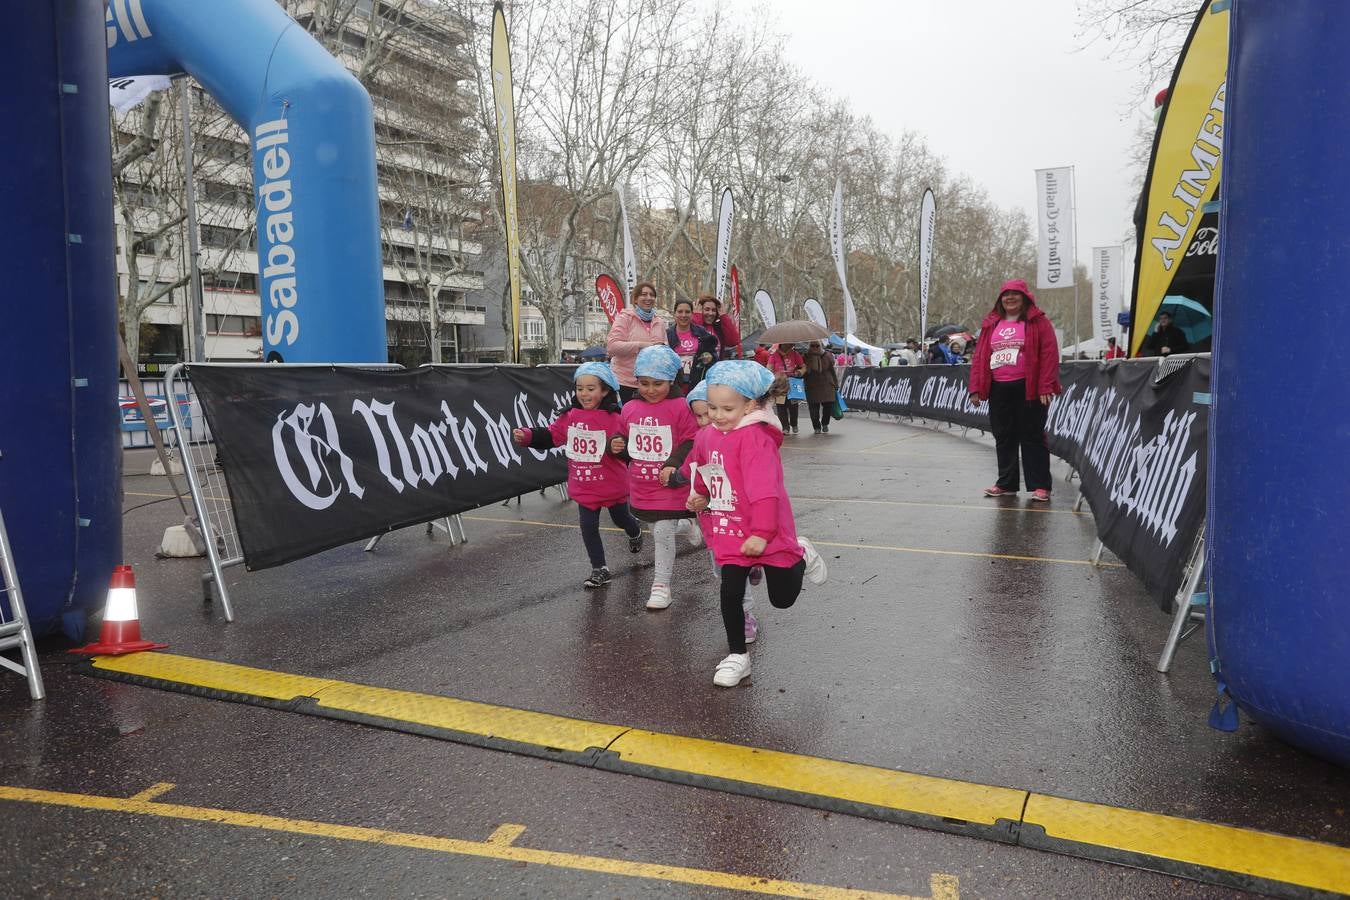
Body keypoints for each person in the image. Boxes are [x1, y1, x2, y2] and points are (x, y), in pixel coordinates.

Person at [683, 360, 829, 687]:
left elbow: (765, 490)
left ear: (750, 405)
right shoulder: (707, 436)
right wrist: (701, 496)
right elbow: (705, 469)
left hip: (768, 530)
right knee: (730, 589)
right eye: (712, 407)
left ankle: (800, 554)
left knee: (782, 599)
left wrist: (762, 534)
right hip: (730, 529)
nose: (718, 415)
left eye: (727, 408)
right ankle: (738, 656)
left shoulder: (755, 440)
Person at [511, 362, 643, 589]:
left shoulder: (616, 418)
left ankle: (635, 531)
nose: (584, 393)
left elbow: (631, 451)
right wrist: (528, 435)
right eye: (579, 388)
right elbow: (553, 436)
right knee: (588, 527)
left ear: (605, 390)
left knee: (620, 519)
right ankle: (599, 568)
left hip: (612, 484)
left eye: (591, 389)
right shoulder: (570, 416)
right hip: (584, 486)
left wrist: (620, 447)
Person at [612, 345, 702, 610]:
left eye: (658, 384)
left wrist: (673, 464)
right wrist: (616, 444)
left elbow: (691, 440)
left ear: (671, 380)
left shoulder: (680, 407)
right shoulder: (629, 408)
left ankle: (661, 585)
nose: (650, 390)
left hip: (670, 483)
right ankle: (688, 526)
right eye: (644, 383)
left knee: (662, 531)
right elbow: (625, 438)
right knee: (659, 528)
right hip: (642, 484)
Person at [968, 278, 1062, 501]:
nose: (1010, 298)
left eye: (1015, 294)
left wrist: (1045, 385)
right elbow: (980, 357)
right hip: (999, 388)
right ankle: (1006, 484)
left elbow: (1049, 355)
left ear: (1025, 297)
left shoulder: (1038, 322)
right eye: (1005, 294)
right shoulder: (991, 324)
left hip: (1029, 388)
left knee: (1032, 436)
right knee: (1004, 436)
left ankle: (1040, 486)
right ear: (1000, 299)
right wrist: (975, 388)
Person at [685, 381, 759, 644]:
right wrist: (694, 496)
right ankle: (750, 576)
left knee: (734, 574)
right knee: (723, 574)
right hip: (713, 526)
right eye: (700, 415)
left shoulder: (743, 440)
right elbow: (690, 472)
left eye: (712, 412)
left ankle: (746, 615)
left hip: (740, 522)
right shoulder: (700, 442)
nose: (708, 420)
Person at [606, 281, 667, 402]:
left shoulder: (660, 322)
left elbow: (665, 349)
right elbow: (612, 346)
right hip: (625, 383)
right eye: (644, 294)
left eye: (652, 295)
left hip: (651, 384)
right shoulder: (624, 318)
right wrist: (642, 346)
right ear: (635, 299)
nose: (648, 298)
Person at [666, 298, 718, 395]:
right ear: (674, 314)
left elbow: (714, 355)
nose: (683, 315)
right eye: (680, 312)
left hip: (697, 384)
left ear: (692, 314)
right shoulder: (667, 334)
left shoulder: (701, 332)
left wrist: (710, 357)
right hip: (675, 386)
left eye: (687, 312)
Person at [765, 342, 805, 434]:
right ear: (783, 344)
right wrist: (775, 376)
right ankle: (785, 427)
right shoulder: (774, 355)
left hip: (792, 384)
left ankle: (794, 424)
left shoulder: (795, 354)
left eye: (791, 344)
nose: (791, 345)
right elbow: (769, 369)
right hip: (780, 384)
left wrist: (799, 372)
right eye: (789, 344)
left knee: (793, 406)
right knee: (781, 406)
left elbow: (803, 367)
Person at [803, 340, 839, 433]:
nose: (815, 348)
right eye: (812, 346)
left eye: (817, 345)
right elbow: (802, 370)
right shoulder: (805, 357)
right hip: (812, 386)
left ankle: (825, 423)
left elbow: (832, 370)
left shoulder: (827, 355)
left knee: (828, 406)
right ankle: (817, 427)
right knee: (813, 409)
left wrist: (836, 384)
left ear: (821, 345)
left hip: (827, 385)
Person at [698, 295, 742, 359]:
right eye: (707, 309)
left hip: (717, 368)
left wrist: (723, 316)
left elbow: (733, 341)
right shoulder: (692, 326)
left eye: (713, 310)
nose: (710, 313)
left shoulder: (718, 328)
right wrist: (697, 316)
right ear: (699, 310)